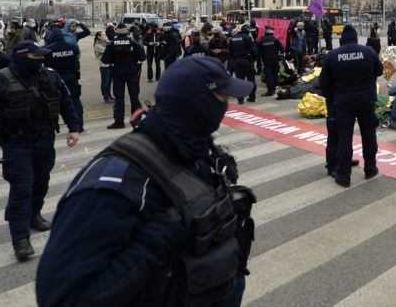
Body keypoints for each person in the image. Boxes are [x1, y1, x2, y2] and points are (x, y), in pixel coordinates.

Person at [36, 57, 256, 307]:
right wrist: (161, 235)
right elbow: (62, 298)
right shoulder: (114, 184)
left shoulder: (194, 149)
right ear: (198, 104)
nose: (227, 106)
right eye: (222, 98)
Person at [0, 41, 81, 261]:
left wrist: (73, 128)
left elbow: (66, 101)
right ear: (23, 58)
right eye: (37, 59)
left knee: (41, 182)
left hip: (45, 141)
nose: (42, 62)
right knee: (22, 189)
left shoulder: (51, 75)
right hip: (16, 144)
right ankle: (21, 239)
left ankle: (34, 215)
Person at [319, 24, 383, 187]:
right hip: (366, 100)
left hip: (343, 101)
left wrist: (331, 99)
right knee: (369, 135)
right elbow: (379, 71)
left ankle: (343, 176)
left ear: (341, 40)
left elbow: (324, 84)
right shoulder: (368, 52)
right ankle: (370, 168)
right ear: (355, 38)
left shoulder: (332, 56)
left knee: (344, 139)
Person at [102, 24, 146, 129]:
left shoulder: (111, 44)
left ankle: (119, 122)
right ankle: (136, 121)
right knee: (134, 97)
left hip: (117, 74)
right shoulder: (133, 42)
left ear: (116, 32)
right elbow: (143, 57)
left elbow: (105, 60)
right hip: (132, 73)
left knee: (119, 98)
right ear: (127, 32)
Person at [45, 29, 84, 132]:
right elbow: (77, 61)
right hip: (72, 78)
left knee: (54, 103)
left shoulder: (48, 50)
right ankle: (79, 125)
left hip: (54, 81)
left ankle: (53, 127)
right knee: (75, 101)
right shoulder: (73, 47)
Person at [228, 26, 256, 104]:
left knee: (239, 80)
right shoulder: (248, 38)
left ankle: (240, 100)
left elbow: (230, 52)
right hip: (247, 61)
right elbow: (253, 50)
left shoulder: (233, 38)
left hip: (237, 61)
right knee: (251, 80)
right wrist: (253, 60)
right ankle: (252, 97)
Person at [257, 26, 284, 97]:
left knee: (269, 76)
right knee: (275, 75)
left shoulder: (261, 40)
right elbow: (282, 50)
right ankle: (274, 89)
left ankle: (270, 91)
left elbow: (258, 53)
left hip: (266, 61)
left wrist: (259, 64)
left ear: (265, 33)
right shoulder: (275, 40)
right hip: (275, 60)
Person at [94, 31, 113, 104]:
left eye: (105, 35)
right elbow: (108, 51)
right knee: (105, 82)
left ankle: (109, 95)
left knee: (109, 82)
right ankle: (105, 97)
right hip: (104, 66)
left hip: (109, 65)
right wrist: (108, 42)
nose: (105, 36)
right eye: (103, 35)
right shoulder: (97, 45)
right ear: (99, 37)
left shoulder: (105, 43)